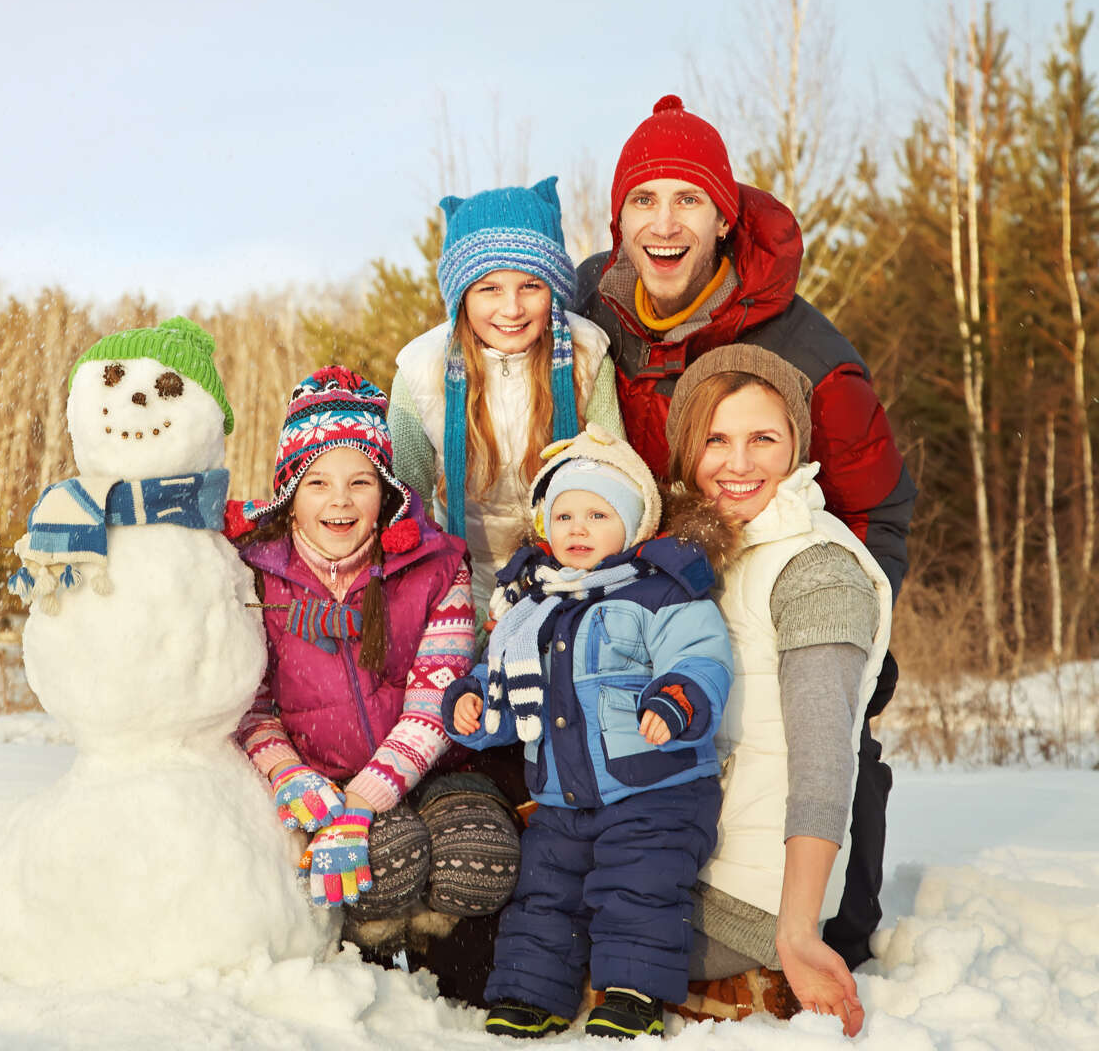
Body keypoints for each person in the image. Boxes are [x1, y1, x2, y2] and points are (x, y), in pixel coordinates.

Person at [576, 95, 916, 968]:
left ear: (724, 220)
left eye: (688, 200)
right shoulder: (587, 317)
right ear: (617, 218)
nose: (664, 222)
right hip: (651, 580)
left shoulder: (806, 351)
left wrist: (848, 634)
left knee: (815, 728)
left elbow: (880, 504)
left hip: (781, 580)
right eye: (643, 200)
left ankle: (825, 911)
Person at [228, 365, 522, 987]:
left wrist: (364, 802)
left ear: (385, 492)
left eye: (360, 481)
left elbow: (433, 703)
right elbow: (248, 706)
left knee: (479, 858)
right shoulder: (255, 576)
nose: (340, 500)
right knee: (385, 863)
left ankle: (455, 975)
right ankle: (370, 975)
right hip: (323, 776)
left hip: (435, 766)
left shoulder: (434, 566)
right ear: (289, 492)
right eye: (318, 482)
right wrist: (291, 776)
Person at [441, 425, 733, 1041]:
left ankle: (632, 993)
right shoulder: (531, 609)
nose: (577, 527)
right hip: (560, 797)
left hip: (656, 787)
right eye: (564, 514)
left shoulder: (660, 593)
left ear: (633, 527)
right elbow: (500, 680)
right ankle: (530, 991)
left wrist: (678, 697)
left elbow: (701, 656)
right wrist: (472, 702)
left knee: (640, 886)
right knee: (545, 894)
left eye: (597, 514)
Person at [664, 344, 892, 1038]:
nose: (738, 464)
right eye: (716, 440)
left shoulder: (815, 567)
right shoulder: (703, 553)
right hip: (683, 856)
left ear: (796, 445)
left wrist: (796, 927)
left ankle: (750, 979)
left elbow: (825, 760)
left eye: (763, 439)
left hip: (745, 900)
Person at [391, 176, 625, 629]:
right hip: (460, 578)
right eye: (489, 289)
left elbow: (611, 480)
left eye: (530, 286)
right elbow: (407, 502)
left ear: (554, 290)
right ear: (461, 296)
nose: (512, 308)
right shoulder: (421, 372)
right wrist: (450, 600)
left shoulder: (585, 357)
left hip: (568, 574)